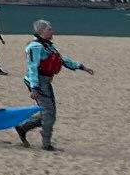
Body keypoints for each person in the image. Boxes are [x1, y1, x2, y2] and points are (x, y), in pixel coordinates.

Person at [17, 19, 94, 151]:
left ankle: (23, 128)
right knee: (49, 114)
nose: (52, 31)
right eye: (49, 29)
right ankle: (46, 144)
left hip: (45, 82)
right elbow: (32, 68)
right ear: (41, 32)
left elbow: (62, 60)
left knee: (48, 113)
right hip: (38, 83)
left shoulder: (47, 45)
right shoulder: (34, 47)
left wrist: (81, 67)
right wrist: (34, 88)